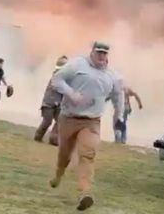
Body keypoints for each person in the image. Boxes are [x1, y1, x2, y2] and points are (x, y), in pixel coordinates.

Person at [48, 42, 123, 211]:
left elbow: (118, 96)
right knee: (64, 154)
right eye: (99, 52)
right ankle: (58, 175)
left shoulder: (112, 76)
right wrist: (71, 93)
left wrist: (118, 116)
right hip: (68, 117)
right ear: (92, 52)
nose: (101, 56)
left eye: (104, 53)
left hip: (91, 121)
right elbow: (57, 79)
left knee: (87, 155)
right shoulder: (77, 64)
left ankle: (84, 193)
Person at [35, 55, 69, 145]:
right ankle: (38, 136)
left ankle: (53, 139)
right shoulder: (56, 76)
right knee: (47, 121)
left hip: (59, 104)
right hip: (49, 103)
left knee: (60, 121)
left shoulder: (65, 77)